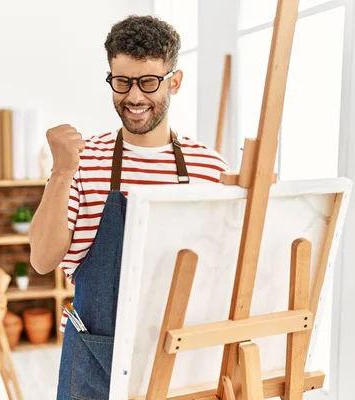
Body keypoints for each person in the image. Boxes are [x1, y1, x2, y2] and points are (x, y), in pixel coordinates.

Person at [28, 15, 229, 399]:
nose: (134, 97)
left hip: (185, 360)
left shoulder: (211, 168)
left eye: (149, 82)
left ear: (175, 81)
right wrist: (62, 171)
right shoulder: (84, 160)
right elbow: (41, 259)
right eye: (122, 82)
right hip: (95, 360)